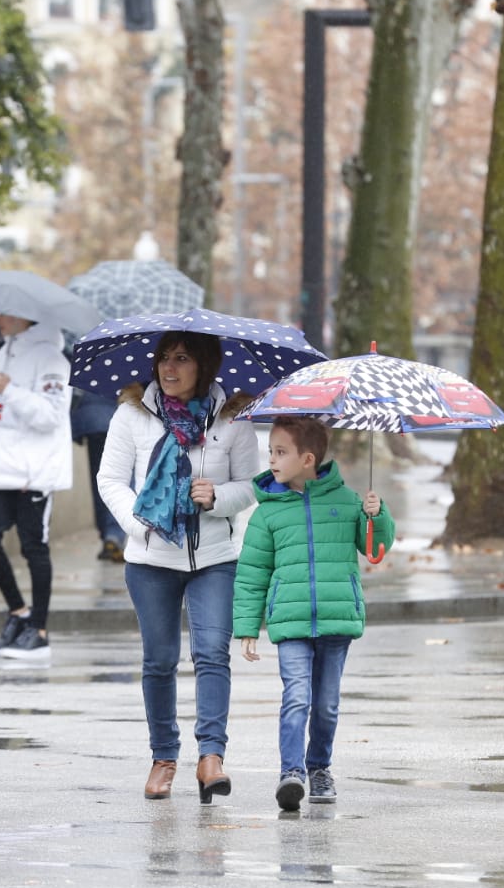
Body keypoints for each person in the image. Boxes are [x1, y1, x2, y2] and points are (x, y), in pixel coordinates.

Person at [96, 332, 259, 802]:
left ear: (204, 366)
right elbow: (110, 479)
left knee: (211, 651)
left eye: (182, 359)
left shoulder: (232, 419)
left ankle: (211, 757)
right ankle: (163, 757)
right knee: (160, 660)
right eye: (163, 359)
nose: (169, 368)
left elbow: (251, 484)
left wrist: (217, 498)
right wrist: (137, 523)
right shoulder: (132, 414)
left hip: (215, 557)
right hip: (151, 558)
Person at [233, 417, 394, 813]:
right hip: (291, 623)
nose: (271, 459)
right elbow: (252, 574)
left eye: (280, 452)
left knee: (326, 704)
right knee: (297, 697)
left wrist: (376, 515)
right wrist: (247, 626)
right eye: (270, 451)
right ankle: (291, 773)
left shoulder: (347, 501)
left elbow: (374, 550)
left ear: (307, 459)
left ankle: (319, 767)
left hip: (337, 620)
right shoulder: (267, 514)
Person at [0, 312, 74, 661]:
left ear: (27, 317)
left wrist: (9, 390)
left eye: (6, 313)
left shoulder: (52, 358)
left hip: (33, 470)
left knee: (33, 547)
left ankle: (39, 630)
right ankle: (18, 611)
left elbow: (51, 416)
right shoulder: (1, 351)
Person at [70, 389, 127, 562]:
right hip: (119, 419)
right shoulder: (131, 364)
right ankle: (114, 533)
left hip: (92, 420)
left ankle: (106, 533)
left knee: (100, 481)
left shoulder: (91, 363)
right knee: (121, 480)